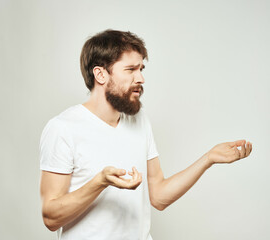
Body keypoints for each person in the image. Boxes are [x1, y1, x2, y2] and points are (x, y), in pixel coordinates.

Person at [39, 29, 253, 240]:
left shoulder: (139, 120)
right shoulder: (63, 128)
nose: (140, 78)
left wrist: (208, 159)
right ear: (101, 74)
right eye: (130, 69)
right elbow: (51, 217)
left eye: (141, 69)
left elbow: (159, 196)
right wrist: (100, 182)